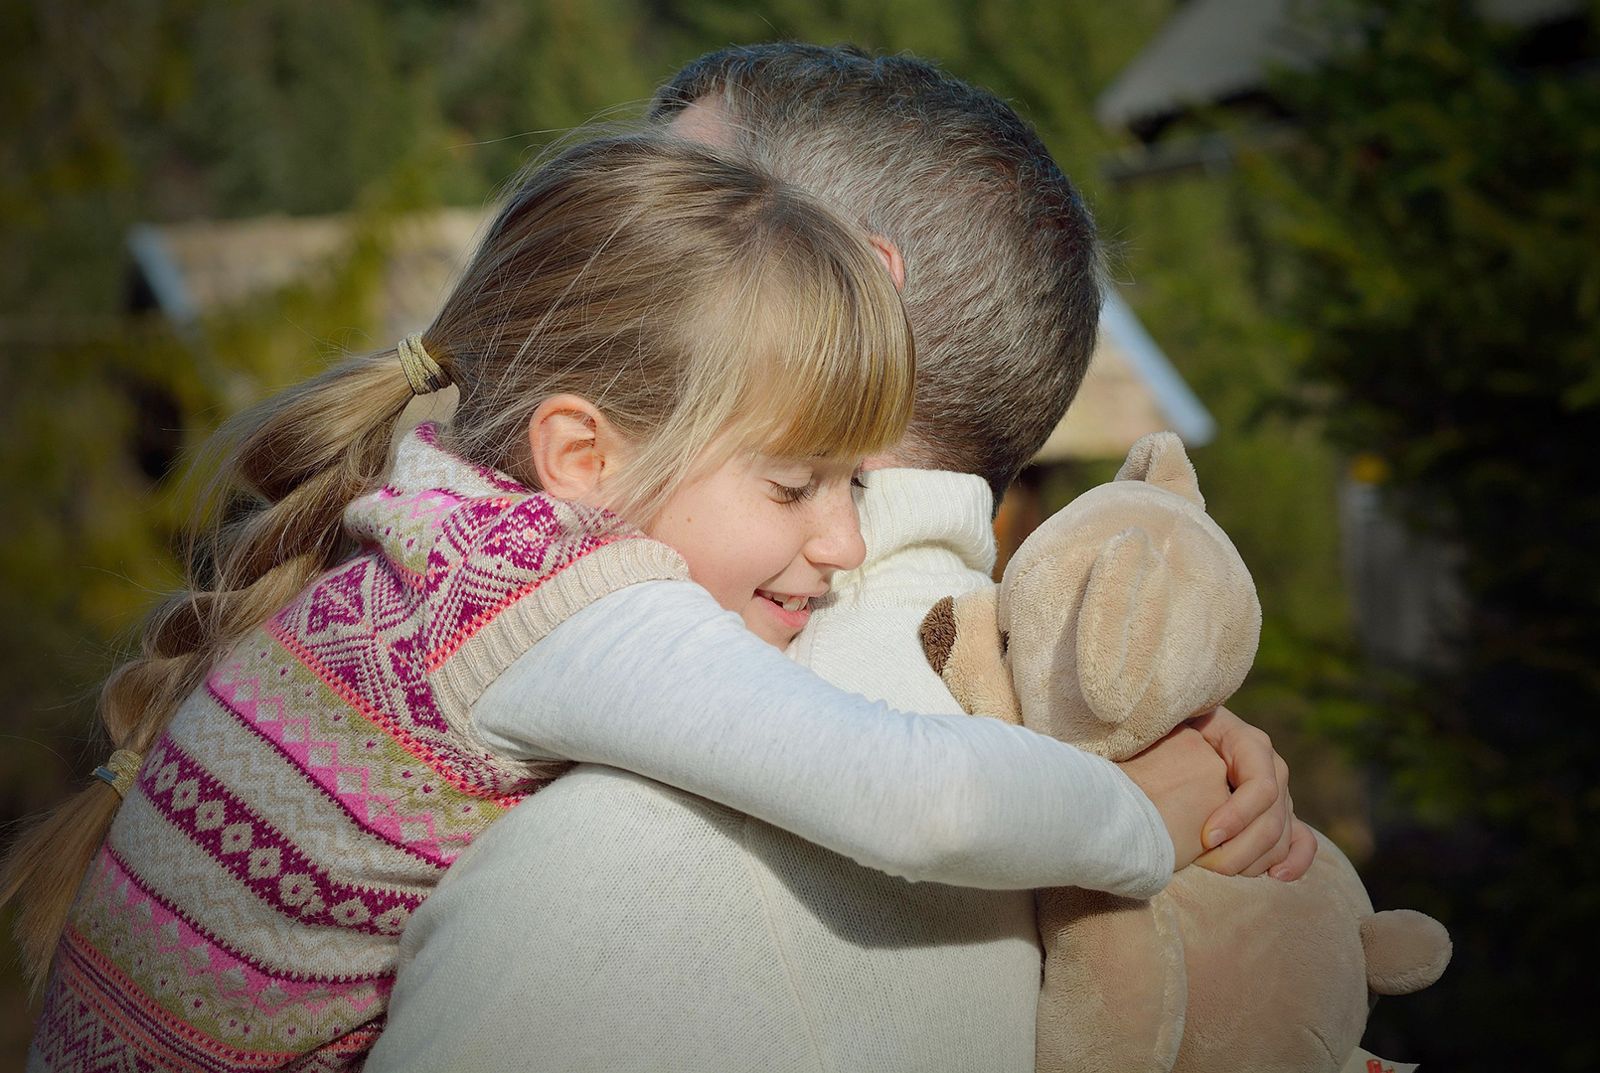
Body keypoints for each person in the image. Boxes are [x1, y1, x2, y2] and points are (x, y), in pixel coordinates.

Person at [10, 132, 1230, 1073]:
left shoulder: (434, 522)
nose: (846, 538)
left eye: (854, 484)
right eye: (796, 483)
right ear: (583, 457)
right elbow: (916, 794)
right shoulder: (558, 604)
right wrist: (1137, 818)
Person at [368, 44, 1314, 1073]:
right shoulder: (1114, 750)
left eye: (680, 206)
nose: (592, 263)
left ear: (853, 285)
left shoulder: (618, 859)